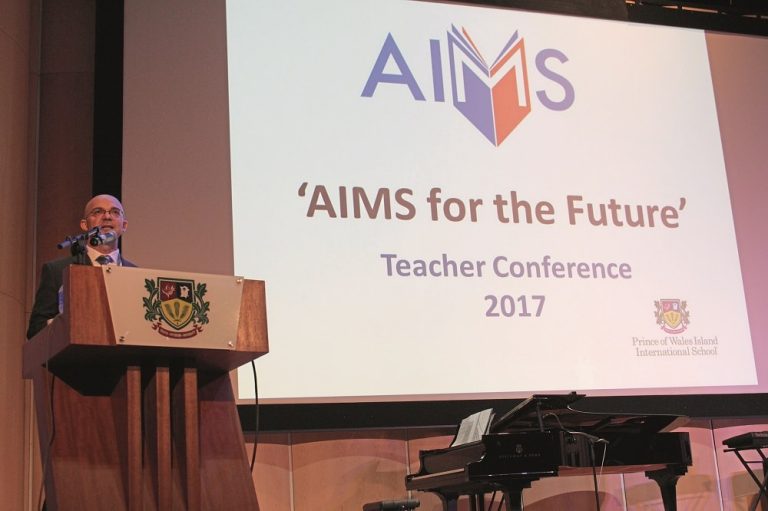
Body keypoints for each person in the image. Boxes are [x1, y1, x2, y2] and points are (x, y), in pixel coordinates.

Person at [27, 194, 137, 339]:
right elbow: (35, 329)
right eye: (98, 211)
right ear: (85, 224)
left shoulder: (136, 276)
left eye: (115, 212)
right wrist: (65, 322)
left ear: (124, 226)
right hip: (75, 352)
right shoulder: (57, 271)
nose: (107, 216)